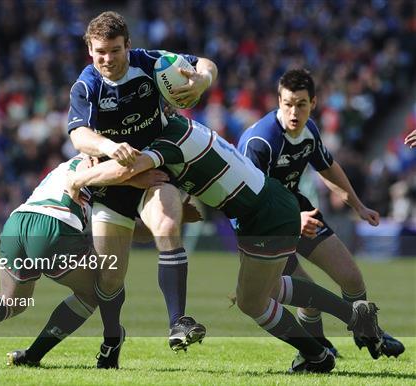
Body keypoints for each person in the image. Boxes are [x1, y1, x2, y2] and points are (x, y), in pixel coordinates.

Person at [65, 114, 385, 373]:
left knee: (252, 301)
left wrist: (78, 178)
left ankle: (322, 350)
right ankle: (343, 328)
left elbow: (129, 166)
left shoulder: (172, 138)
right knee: (267, 291)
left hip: (265, 215)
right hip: (264, 209)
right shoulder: (181, 130)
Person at [67, 11, 218, 366]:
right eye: (100, 51)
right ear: (89, 50)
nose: (107, 59)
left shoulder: (149, 62)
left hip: (154, 168)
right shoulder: (86, 85)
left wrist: (202, 81)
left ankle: (178, 322)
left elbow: (205, 63)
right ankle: (111, 339)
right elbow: (78, 135)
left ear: (128, 46)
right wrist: (107, 147)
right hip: (113, 182)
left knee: (166, 225)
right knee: (109, 277)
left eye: (115, 50)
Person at [0, 156, 167, 367]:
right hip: (52, 227)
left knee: (10, 301)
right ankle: (41, 354)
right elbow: (127, 228)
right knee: (98, 289)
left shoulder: (69, 163)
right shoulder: (107, 168)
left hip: (17, 223)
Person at [236, 68, 404, 358]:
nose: (293, 112)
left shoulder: (310, 130)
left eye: (301, 104)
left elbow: (327, 167)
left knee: (352, 278)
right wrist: (291, 220)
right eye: (287, 103)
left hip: (296, 209)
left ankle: (364, 332)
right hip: (262, 226)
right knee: (308, 295)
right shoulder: (260, 143)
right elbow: (252, 201)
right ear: (278, 101)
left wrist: (358, 205)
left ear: (313, 103)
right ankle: (317, 349)